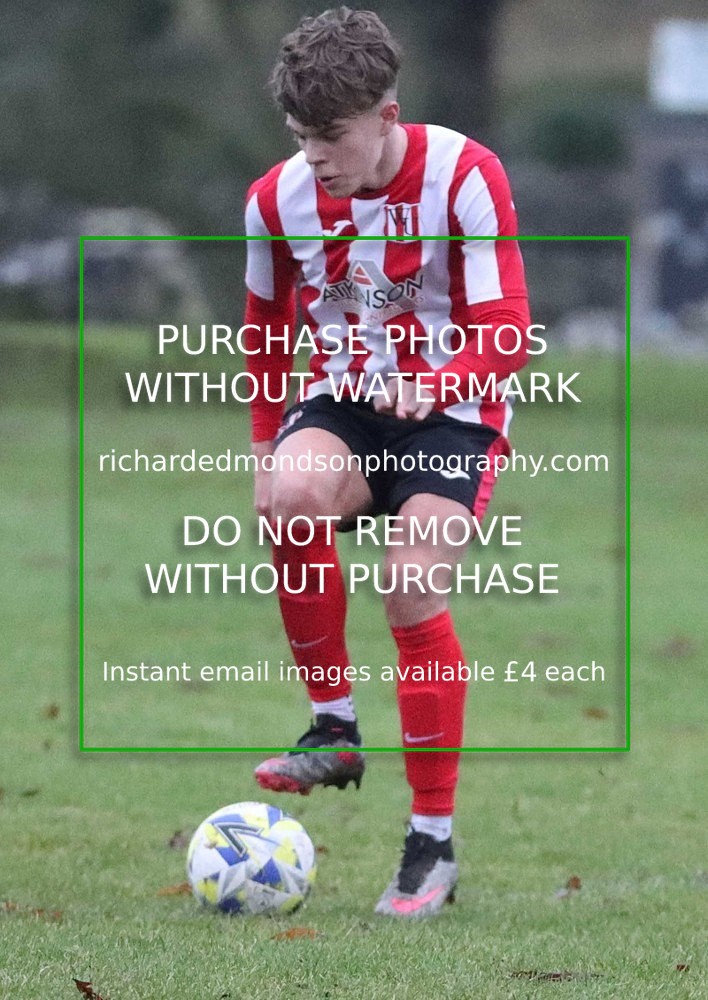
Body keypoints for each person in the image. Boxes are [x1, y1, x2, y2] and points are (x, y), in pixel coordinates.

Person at [243, 6, 529, 917]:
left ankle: (430, 845)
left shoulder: (465, 174)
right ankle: (335, 729)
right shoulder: (274, 199)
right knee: (291, 495)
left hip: (456, 413)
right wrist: (263, 445)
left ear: (387, 113)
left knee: (410, 583)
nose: (317, 157)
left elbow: (508, 328)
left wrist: (440, 380)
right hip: (345, 403)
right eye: (302, 137)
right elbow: (265, 328)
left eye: (332, 136)